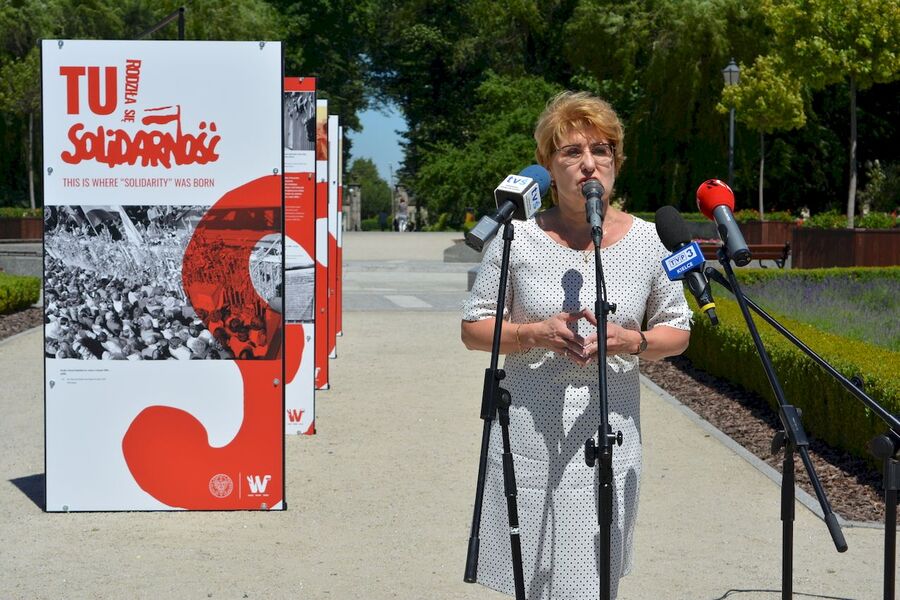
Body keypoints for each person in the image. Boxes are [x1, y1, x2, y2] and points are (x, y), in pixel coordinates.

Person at [461, 91, 691, 600]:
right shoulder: (513, 238)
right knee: (535, 574)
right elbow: (474, 328)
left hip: (609, 434)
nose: (589, 164)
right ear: (547, 165)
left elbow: (678, 330)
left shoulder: (651, 241)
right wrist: (532, 333)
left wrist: (632, 341)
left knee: (593, 573)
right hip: (527, 435)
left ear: (617, 162)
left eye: (602, 150)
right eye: (572, 152)